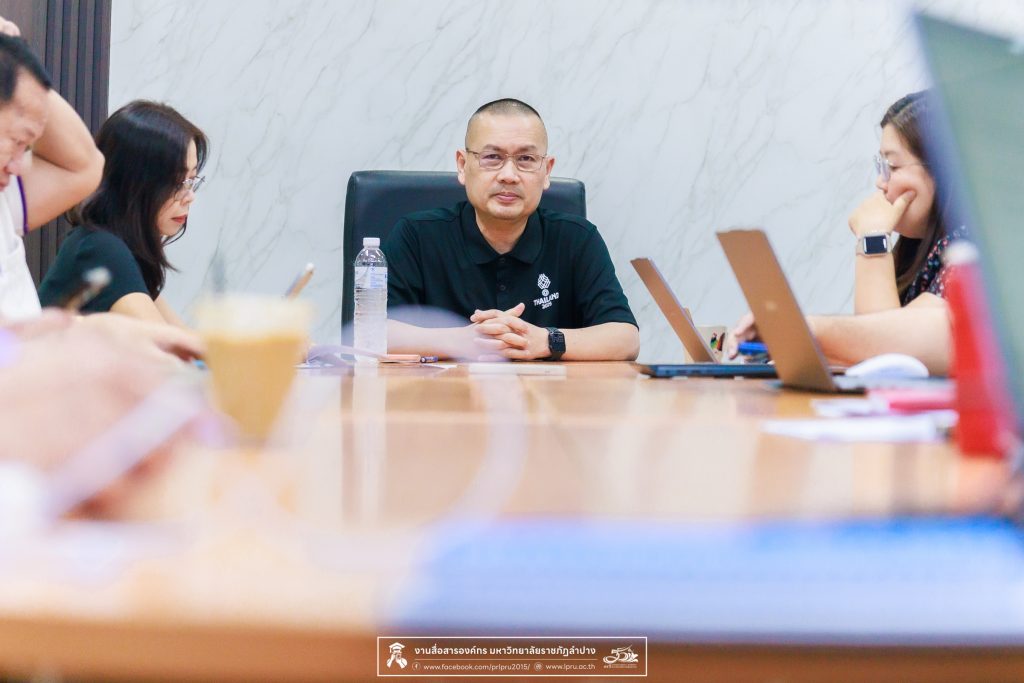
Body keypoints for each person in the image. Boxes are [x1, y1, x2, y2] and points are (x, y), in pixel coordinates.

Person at [383, 98, 639, 361]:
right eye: (492, 157)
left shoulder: (577, 239)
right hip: (440, 388)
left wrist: (546, 340)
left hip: (549, 389)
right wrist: (463, 340)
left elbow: (625, 338)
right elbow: (374, 331)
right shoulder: (416, 235)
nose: (509, 175)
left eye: (526, 159)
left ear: (547, 171)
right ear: (462, 165)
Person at [728, 92, 958, 375]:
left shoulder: (976, 252)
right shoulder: (923, 252)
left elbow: (891, 361)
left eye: (892, 167)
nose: (881, 182)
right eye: (880, 166)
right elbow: (885, 345)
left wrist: (873, 238)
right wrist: (806, 344)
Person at [39, 101, 208, 327]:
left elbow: (186, 343)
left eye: (191, 180)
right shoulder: (100, 247)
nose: (189, 196)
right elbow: (168, 345)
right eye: (177, 182)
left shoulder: (127, 249)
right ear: (132, 183)